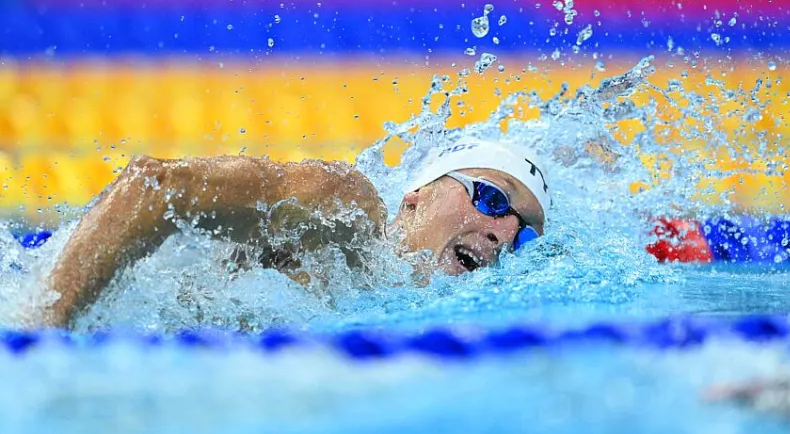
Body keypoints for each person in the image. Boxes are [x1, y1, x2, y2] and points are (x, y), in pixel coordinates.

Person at [43, 137, 551, 327]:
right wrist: (45, 325)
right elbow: (156, 186)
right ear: (415, 197)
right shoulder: (344, 214)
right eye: (492, 198)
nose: (504, 234)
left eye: (523, 234)